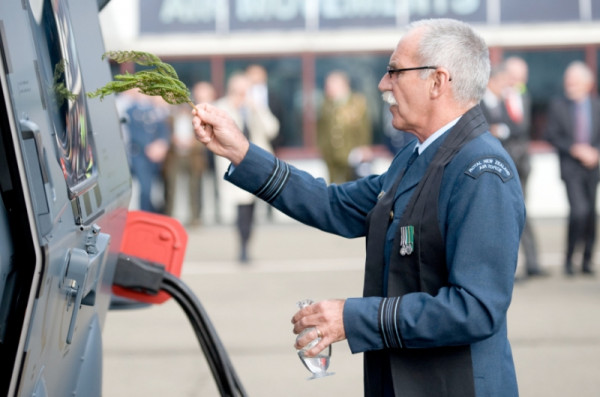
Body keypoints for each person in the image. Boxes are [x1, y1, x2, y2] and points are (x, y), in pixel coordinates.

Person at [193, 18, 525, 397]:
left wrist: (352, 318)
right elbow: (334, 204)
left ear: (437, 82)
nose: (384, 84)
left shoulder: (480, 171)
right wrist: (241, 152)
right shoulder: (415, 157)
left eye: (395, 71)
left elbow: (476, 308)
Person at [480, 59, 546, 279]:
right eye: (505, 80)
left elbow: (520, 128)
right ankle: (507, 268)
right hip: (496, 168)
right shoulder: (482, 103)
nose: (510, 84)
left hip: (519, 165)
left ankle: (531, 263)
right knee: (500, 216)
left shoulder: (512, 99)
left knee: (520, 212)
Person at [213, 72, 280, 263]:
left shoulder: (255, 108)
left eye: (245, 91)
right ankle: (242, 247)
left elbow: (272, 129)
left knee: (250, 208)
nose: (242, 95)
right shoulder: (222, 107)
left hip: (256, 163)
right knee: (241, 207)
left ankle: (246, 243)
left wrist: (258, 109)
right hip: (234, 164)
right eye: (238, 91)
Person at [545, 61, 600, 276]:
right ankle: (569, 259)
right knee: (578, 212)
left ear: (588, 84)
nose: (570, 85)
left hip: (593, 167)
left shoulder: (596, 105)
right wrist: (575, 148)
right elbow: (551, 135)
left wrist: (595, 152)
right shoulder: (558, 105)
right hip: (571, 167)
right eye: (568, 81)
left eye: (575, 81)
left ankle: (586, 260)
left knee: (591, 214)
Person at [163, 82, 214, 227]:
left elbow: (205, 135)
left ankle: (195, 218)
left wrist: (193, 142)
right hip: (175, 156)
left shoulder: (197, 116)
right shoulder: (171, 118)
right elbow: (164, 135)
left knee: (194, 188)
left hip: (194, 157)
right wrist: (173, 141)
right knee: (171, 188)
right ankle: (169, 217)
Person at [317, 70, 372, 183]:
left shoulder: (357, 102)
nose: (327, 88)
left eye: (330, 84)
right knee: (333, 186)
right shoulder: (326, 104)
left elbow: (364, 129)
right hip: (331, 156)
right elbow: (321, 129)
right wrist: (323, 148)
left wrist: (363, 147)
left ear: (343, 85)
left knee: (353, 186)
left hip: (352, 155)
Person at [124, 89, 170, 213]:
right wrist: (149, 147)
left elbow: (164, 130)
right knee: (145, 188)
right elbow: (133, 134)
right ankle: (146, 214)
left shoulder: (157, 111)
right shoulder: (131, 111)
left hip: (157, 157)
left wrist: (162, 144)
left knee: (158, 189)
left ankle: (157, 214)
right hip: (140, 156)